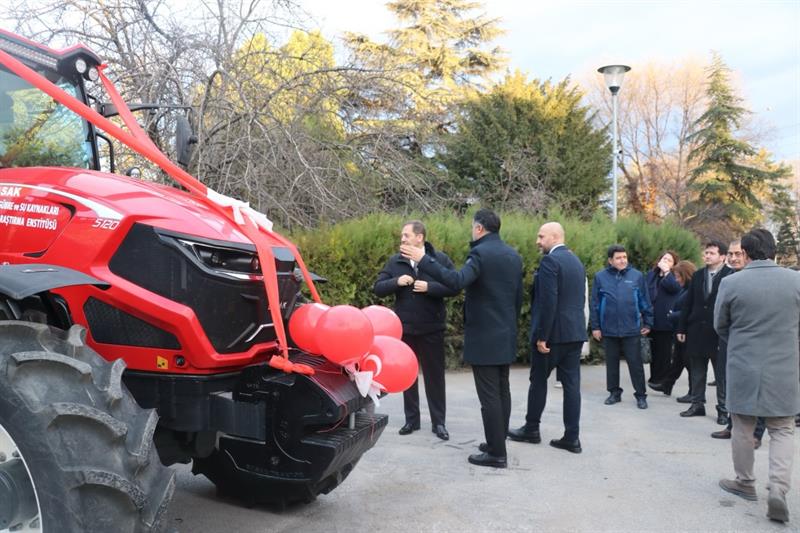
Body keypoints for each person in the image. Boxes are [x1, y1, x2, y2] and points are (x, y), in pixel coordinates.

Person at [400, 209, 523, 468]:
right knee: (502, 390)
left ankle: (497, 454)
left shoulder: (479, 254)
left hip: (485, 336)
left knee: (489, 396)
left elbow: (456, 281)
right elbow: (517, 298)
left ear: (479, 228)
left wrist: (424, 260)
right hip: (506, 333)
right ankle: (497, 442)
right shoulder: (513, 255)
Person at [715, 228, 800, 524]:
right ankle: (778, 489)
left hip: (744, 364)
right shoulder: (796, 280)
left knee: (742, 425)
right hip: (784, 365)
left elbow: (720, 324)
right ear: (774, 250)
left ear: (746, 253)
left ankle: (745, 482)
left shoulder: (731, 282)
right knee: (783, 428)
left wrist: (741, 341)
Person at [373, 220, 457, 440]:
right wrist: (396, 281)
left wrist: (430, 287)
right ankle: (412, 420)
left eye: (406, 235)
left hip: (432, 328)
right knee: (408, 376)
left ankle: (439, 423)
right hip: (406, 330)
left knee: (435, 377)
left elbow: (455, 286)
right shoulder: (396, 261)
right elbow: (378, 288)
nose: (402, 239)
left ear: (420, 238)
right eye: (402, 236)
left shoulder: (439, 260)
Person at [509, 222, 587, 454]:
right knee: (572, 387)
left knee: (538, 382)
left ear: (555, 236)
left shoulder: (550, 261)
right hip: (574, 333)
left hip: (552, 336)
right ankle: (572, 437)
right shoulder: (576, 261)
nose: (537, 241)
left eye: (541, 236)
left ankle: (531, 429)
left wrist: (543, 335)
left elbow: (548, 301)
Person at [710, 240, 766, 445]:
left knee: (757, 387)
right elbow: (720, 315)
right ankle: (732, 425)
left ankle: (756, 433)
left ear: (747, 255)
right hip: (730, 340)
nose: (733, 258)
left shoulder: (759, 279)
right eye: (731, 254)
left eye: (738, 254)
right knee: (730, 383)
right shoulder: (726, 279)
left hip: (756, 341)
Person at [590, 244, 653, 409]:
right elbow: (595, 304)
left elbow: (644, 300)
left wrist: (648, 322)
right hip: (608, 328)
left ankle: (641, 395)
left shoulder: (637, 276)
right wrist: (595, 327)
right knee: (611, 364)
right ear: (610, 260)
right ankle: (614, 393)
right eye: (618, 258)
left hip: (631, 328)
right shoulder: (600, 277)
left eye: (624, 257)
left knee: (635, 364)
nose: (622, 260)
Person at [677, 240, 733, 422]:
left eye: (712, 253)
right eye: (706, 252)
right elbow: (688, 303)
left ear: (722, 257)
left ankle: (723, 410)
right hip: (696, 330)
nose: (707, 256)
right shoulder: (698, 275)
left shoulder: (731, 275)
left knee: (721, 374)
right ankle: (697, 404)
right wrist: (681, 327)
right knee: (697, 371)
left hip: (719, 332)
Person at [651, 259, 696, 398]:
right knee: (677, 361)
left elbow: (692, 311)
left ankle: (694, 393)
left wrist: (673, 315)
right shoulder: (686, 289)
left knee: (689, 363)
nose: (676, 280)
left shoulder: (693, 290)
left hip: (688, 332)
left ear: (685, 275)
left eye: (677, 276)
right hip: (680, 330)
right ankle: (667, 385)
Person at [645, 250, 681, 388]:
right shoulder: (652, 275)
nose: (665, 261)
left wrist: (667, 272)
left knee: (664, 351)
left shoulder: (673, 276)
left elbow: (674, 288)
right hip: (651, 317)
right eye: (664, 258)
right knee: (653, 349)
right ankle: (654, 376)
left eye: (669, 260)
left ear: (674, 264)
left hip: (665, 319)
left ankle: (663, 378)